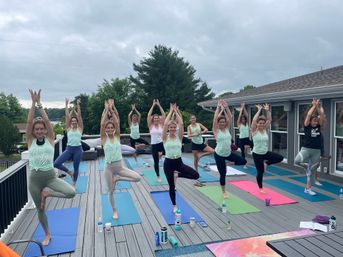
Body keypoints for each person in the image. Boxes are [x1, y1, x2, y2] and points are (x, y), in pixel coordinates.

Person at [26, 89, 75, 246]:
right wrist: (32, 104)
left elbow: (47, 121)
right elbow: (28, 122)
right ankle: (47, 234)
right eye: (37, 129)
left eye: (42, 129)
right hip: (34, 179)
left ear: (46, 130)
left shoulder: (50, 139)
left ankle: (47, 195)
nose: (39, 131)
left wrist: (40, 104)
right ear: (33, 131)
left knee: (71, 193)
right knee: (40, 211)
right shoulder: (30, 141)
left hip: (50, 177)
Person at [101, 99, 141, 219]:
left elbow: (117, 123)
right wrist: (107, 109)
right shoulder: (104, 138)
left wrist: (112, 109)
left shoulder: (117, 136)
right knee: (111, 191)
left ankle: (119, 179)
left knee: (137, 178)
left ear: (114, 129)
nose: (109, 129)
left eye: (111, 128)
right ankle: (114, 210)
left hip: (120, 167)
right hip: (108, 168)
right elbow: (102, 124)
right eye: (107, 128)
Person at [163, 103, 199, 212]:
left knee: (195, 175)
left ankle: (177, 174)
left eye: (174, 127)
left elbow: (182, 123)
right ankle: (174, 205)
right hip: (168, 163)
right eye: (171, 127)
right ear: (169, 128)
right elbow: (164, 124)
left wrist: (176, 112)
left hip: (179, 162)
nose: (173, 128)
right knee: (171, 186)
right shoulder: (165, 137)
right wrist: (170, 112)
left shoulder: (179, 137)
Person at [213, 100, 247, 199]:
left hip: (228, 153)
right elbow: (215, 119)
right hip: (219, 154)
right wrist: (218, 107)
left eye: (224, 122)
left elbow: (230, 117)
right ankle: (223, 191)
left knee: (243, 161)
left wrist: (227, 107)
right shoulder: (216, 130)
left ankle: (228, 164)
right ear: (218, 123)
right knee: (222, 174)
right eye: (221, 122)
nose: (223, 123)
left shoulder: (227, 129)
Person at [251, 103, 283, 193]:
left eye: (262, 123)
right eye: (260, 123)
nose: (261, 124)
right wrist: (259, 111)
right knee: (260, 172)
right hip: (257, 154)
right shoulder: (254, 131)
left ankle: (266, 163)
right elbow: (253, 121)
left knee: (280, 158)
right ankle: (260, 188)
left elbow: (269, 119)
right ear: (257, 124)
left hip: (265, 153)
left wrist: (267, 111)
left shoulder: (265, 130)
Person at [295, 99, 325, 195]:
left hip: (316, 151)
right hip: (306, 149)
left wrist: (318, 108)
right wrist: (314, 106)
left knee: (312, 171)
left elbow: (322, 116)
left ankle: (308, 188)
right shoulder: (307, 126)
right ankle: (306, 166)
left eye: (317, 121)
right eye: (314, 121)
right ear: (310, 121)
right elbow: (308, 115)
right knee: (297, 161)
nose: (315, 123)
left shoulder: (319, 126)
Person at [54, 98, 83, 186]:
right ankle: (69, 172)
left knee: (76, 167)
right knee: (56, 163)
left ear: (77, 122)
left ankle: (74, 183)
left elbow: (79, 116)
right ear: (71, 122)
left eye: (75, 121)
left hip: (78, 150)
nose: (74, 122)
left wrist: (78, 105)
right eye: (72, 121)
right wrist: (66, 106)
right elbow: (67, 116)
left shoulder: (80, 129)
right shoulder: (69, 128)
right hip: (69, 149)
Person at [147, 99, 166, 182]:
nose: (156, 119)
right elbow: (148, 115)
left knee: (168, 154)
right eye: (154, 118)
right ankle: (158, 176)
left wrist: (158, 105)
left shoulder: (162, 125)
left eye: (157, 118)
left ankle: (161, 154)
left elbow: (164, 115)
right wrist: (153, 105)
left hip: (162, 144)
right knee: (156, 162)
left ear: (159, 119)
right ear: (153, 119)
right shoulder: (151, 126)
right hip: (154, 145)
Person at [236, 103, 252, 168]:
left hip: (247, 139)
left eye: (244, 119)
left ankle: (247, 147)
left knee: (253, 144)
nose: (243, 120)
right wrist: (242, 108)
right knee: (243, 152)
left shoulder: (247, 124)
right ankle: (244, 164)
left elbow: (247, 115)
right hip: (242, 139)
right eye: (242, 119)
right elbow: (239, 116)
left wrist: (244, 107)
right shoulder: (239, 124)